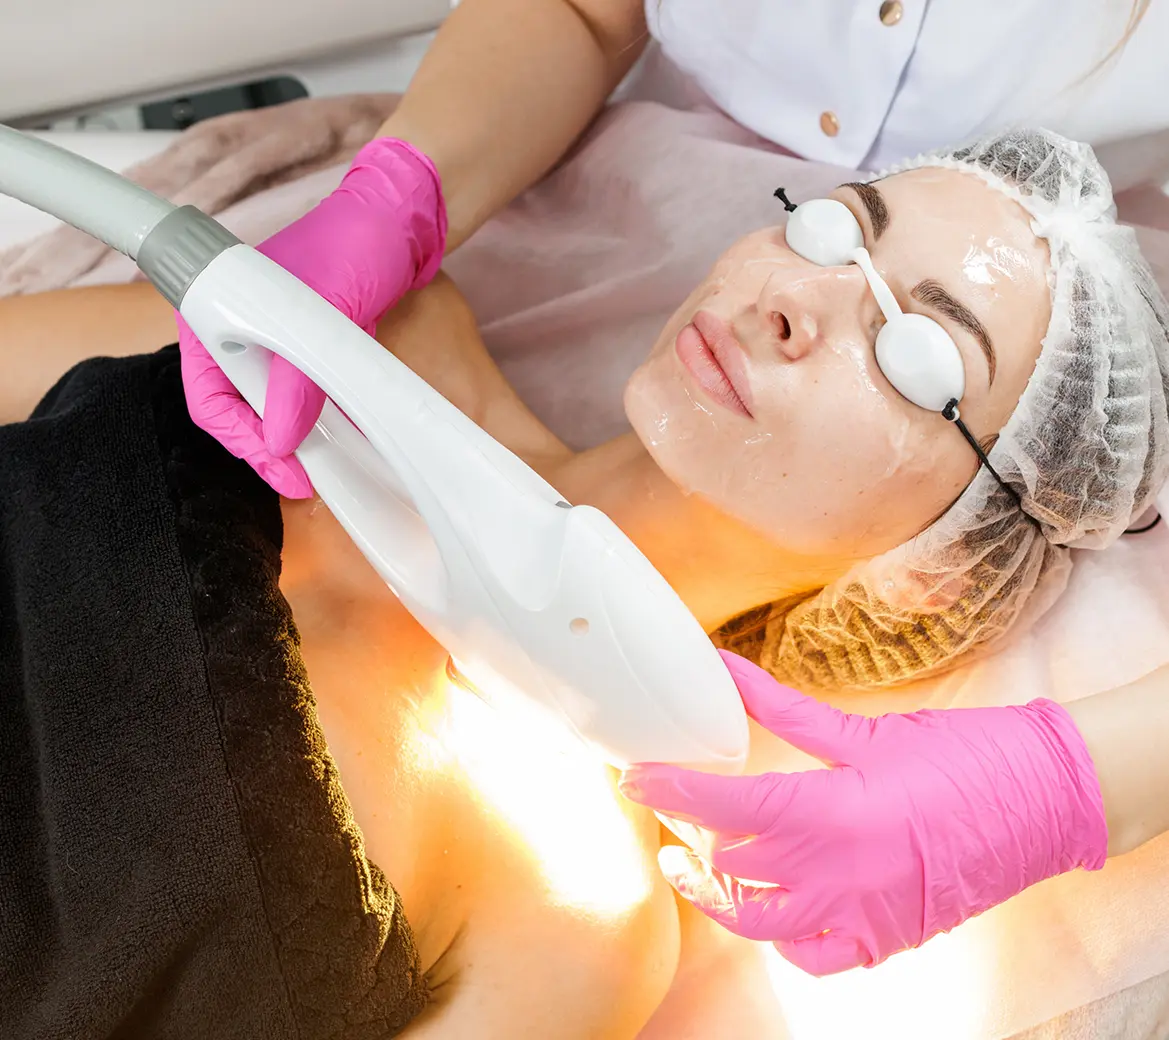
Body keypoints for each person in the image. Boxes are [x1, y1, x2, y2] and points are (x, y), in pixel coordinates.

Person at [2, 124, 1168, 1035]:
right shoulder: (384, 332)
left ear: (934, 575)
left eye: (915, 354)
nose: (795, 299)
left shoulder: (576, 920)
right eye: (831, 230)